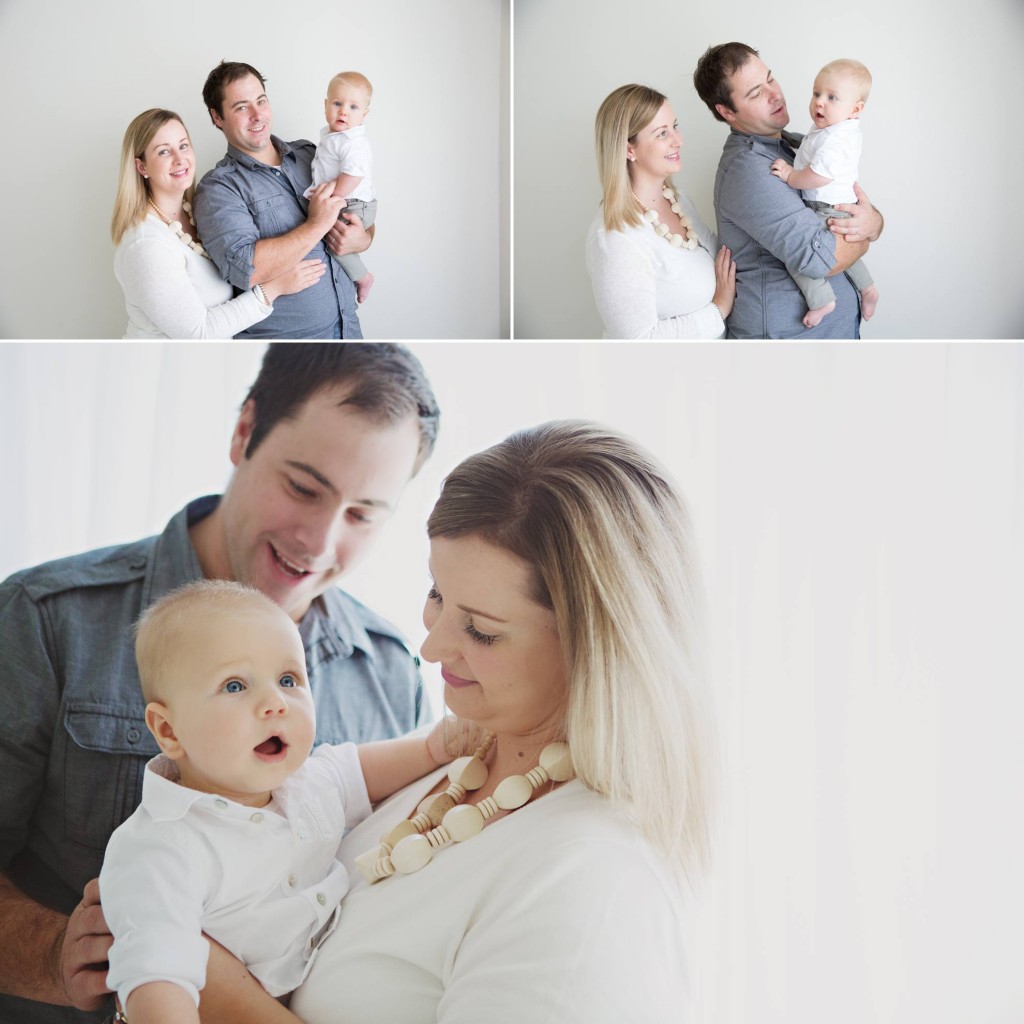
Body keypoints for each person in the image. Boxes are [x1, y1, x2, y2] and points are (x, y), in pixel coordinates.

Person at [189, 419, 717, 1022]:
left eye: (482, 630)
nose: (431, 647)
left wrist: (214, 990)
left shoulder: (592, 881)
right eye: (436, 593)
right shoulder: (453, 764)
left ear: (595, 645)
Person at [0, 343, 440, 1024]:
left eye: (361, 515)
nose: (319, 542)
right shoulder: (45, 619)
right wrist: (59, 957)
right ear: (244, 433)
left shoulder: (388, 674)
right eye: (303, 487)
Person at [100, 581, 467, 1024]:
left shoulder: (307, 784)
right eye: (235, 686)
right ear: (169, 731)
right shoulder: (161, 847)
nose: (275, 703)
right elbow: (157, 980)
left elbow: (361, 771)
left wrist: (435, 749)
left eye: (289, 679)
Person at [693, 42, 884, 339]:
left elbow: (845, 202)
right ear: (726, 111)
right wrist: (867, 231)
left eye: (770, 78)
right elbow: (820, 259)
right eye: (756, 92)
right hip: (789, 342)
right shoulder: (748, 169)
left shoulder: (797, 144)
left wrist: (874, 221)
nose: (775, 94)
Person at [194, 61, 371, 339]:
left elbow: (362, 205)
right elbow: (245, 269)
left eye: (261, 101)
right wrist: (316, 225)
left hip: (348, 333)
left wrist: (363, 238)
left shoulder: (310, 154)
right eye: (241, 107)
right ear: (217, 117)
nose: (257, 115)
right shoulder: (218, 188)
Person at [112, 109, 325, 338]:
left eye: (183, 146)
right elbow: (198, 333)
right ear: (142, 166)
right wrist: (274, 288)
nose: (179, 158)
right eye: (164, 152)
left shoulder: (193, 214)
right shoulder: (146, 245)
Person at [586, 84, 736, 338]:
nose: (679, 141)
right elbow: (639, 340)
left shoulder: (679, 201)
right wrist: (720, 308)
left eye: (675, 126)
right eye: (662, 133)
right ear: (628, 149)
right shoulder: (614, 238)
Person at [769, 59, 879, 328]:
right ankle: (868, 288)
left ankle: (821, 300)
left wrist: (789, 176)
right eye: (816, 93)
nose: (820, 102)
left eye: (832, 97)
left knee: (799, 258)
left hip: (824, 208)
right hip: (841, 204)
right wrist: (788, 138)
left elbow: (818, 175)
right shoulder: (835, 128)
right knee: (847, 252)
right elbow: (810, 145)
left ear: (856, 109)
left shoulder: (834, 140)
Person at [304, 72, 377, 304]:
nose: (343, 111)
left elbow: (354, 175)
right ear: (325, 105)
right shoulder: (333, 137)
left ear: (364, 114)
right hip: (347, 200)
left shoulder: (353, 142)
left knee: (337, 242)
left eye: (353, 107)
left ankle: (363, 277)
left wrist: (332, 197)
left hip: (354, 203)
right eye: (337, 103)